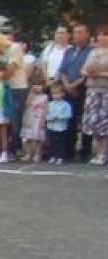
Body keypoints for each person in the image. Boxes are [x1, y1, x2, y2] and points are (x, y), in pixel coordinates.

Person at [57, 23, 94, 162]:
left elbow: (88, 71)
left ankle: (85, 152)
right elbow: (62, 70)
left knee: (85, 121)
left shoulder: (91, 51)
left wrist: (75, 85)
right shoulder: (69, 51)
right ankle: (68, 151)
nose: (77, 35)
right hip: (67, 89)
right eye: (75, 32)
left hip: (83, 89)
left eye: (80, 32)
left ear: (87, 34)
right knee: (69, 121)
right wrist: (67, 85)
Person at [80, 25, 108, 164]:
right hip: (92, 89)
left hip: (106, 90)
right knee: (94, 122)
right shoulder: (93, 52)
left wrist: (100, 74)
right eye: (100, 35)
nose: (102, 38)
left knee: (104, 122)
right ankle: (98, 152)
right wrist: (89, 72)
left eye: (105, 35)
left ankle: (104, 153)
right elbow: (83, 70)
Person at [45, 82, 73, 165]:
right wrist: (49, 118)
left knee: (61, 143)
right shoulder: (50, 104)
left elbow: (68, 115)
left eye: (57, 93)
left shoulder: (66, 104)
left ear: (63, 94)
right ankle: (53, 156)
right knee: (52, 142)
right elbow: (46, 114)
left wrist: (59, 117)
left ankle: (60, 157)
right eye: (53, 94)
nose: (55, 95)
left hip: (61, 127)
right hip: (51, 126)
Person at [19, 81, 47, 163]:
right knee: (28, 138)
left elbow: (46, 109)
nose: (37, 87)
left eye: (39, 85)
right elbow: (27, 105)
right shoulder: (30, 96)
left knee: (38, 139)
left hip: (39, 119)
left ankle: (37, 155)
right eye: (35, 85)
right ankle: (28, 154)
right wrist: (31, 94)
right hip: (30, 118)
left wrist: (43, 120)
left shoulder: (45, 97)